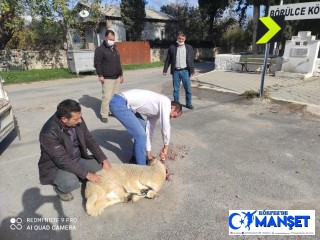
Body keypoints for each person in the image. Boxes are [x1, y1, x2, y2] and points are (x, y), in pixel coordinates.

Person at [38, 99, 111, 201]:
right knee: (72, 182)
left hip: (77, 157)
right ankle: (61, 189)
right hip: (57, 166)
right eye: (76, 119)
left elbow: (89, 140)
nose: (80, 121)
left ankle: (80, 174)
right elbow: (63, 161)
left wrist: (104, 160)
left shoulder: (77, 119)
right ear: (64, 119)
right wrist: (87, 174)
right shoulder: (48, 133)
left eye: (80, 117)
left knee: (101, 169)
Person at [109, 89, 182, 165]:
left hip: (128, 106)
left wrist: (149, 153)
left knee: (144, 130)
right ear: (172, 107)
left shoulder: (156, 112)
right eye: (173, 116)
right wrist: (166, 147)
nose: (171, 118)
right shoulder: (166, 101)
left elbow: (149, 131)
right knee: (141, 135)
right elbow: (165, 126)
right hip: (119, 103)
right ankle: (142, 169)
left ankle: (135, 158)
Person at [94, 29, 124, 123]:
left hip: (116, 77)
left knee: (114, 97)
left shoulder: (114, 49)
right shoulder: (100, 50)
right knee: (107, 97)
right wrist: (100, 75)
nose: (112, 41)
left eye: (113, 39)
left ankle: (112, 111)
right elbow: (97, 63)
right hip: (107, 78)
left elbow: (118, 63)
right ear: (105, 38)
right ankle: (104, 114)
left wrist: (121, 74)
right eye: (110, 39)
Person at [163, 32, 195, 110]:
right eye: (179, 38)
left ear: (185, 39)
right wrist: (165, 69)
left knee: (188, 89)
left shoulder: (189, 47)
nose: (180, 40)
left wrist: (192, 70)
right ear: (177, 38)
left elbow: (191, 60)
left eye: (182, 38)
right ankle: (176, 104)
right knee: (176, 89)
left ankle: (188, 103)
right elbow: (168, 60)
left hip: (185, 71)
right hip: (176, 71)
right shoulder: (172, 47)